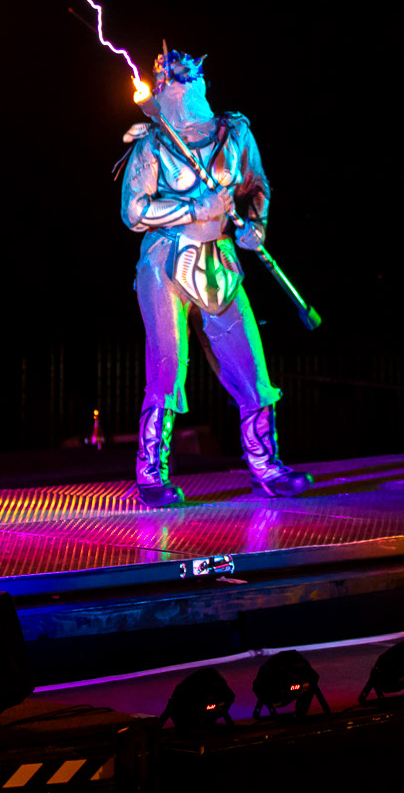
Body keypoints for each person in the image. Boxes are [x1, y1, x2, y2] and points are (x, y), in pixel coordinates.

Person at [118, 48, 310, 506]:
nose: (181, 84)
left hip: (218, 260)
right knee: (167, 365)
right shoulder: (151, 144)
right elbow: (133, 211)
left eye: (188, 76)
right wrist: (193, 208)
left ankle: (264, 465)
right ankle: (151, 472)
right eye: (172, 79)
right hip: (164, 263)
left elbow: (256, 184)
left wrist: (257, 224)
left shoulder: (234, 132)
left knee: (249, 363)